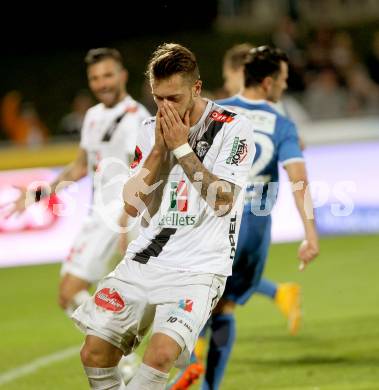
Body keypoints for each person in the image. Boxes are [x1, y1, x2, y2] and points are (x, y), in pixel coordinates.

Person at [71, 42, 256, 390]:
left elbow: (223, 200)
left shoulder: (233, 127)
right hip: (146, 257)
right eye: (158, 98)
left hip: (200, 267)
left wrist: (182, 148)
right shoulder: (147, 129)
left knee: (160, 355)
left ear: (196, 88)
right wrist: (159, 149)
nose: (165, 108)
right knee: (94, 354)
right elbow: (131, 205)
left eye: (174, 98)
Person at [169, 45, 319, 390]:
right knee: (226, 307)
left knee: (186, 298)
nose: (284, 86)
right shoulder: (282, 124)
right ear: (267, 83)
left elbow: (186, 159)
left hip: (214, 220)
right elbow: (300, 181)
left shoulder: (215, 111)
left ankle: (188, 363)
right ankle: (208, 386)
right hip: (254, 228)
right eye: (282, 80)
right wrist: (311, 233)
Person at [6, 47, 150, 318]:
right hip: (97, 214)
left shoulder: (135, 118)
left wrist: (127, 221)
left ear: (123, 76)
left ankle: (121, 346)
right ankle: (120, 348)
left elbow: (145, 174)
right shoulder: (94, 116)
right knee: (72, 296)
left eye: (108, 75)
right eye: (95, 78)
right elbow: (81, 167)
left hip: (118, 216)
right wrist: (40, 194)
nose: (102, 83)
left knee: (71, 291)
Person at [222, 42, 304, 334]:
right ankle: (280, 293)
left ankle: (193, 354)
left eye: (228, 76)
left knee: (214, 286)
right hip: (252, 210)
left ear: (240, 72)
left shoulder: (248, 107)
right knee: (224, 286)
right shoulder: (269, 110)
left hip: (238, 208)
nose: (226, 83)